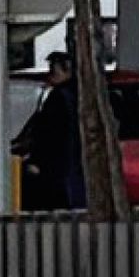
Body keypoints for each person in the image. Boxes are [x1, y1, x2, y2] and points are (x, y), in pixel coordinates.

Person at [13, 51, 86, 212]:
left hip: (53, 172)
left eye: (54, 69)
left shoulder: (58, 98)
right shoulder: (77, 95)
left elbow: (49, 134)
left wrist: (37, 161)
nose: (50, 73)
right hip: (70, 170)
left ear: (66, 70)